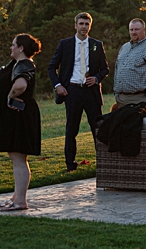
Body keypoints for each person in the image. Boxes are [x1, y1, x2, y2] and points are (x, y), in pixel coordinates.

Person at [0, 34, 42, 211]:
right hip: (14, 116)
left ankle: (20, 202)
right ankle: (16, 197)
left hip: (19, 116)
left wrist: (9, 97)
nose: (11, 47)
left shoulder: (24, 65)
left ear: (21, 48)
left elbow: (20, 85)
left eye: (13, 45)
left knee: (18, 159)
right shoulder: (15, 64)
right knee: (17, 158)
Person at [47, 12, 110, 172]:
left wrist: (96, 78)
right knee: (71, 129)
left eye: (86, 24)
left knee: (96, 127)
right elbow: (51, 67)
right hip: (72, 91)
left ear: (90, 26)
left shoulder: (97, 44)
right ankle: (70, 164)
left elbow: (105, 69)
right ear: (75, 25)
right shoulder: (65, 44)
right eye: (81, 23)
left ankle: (103, 162)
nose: (84, 27)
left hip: (91, 92)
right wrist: (58, 86)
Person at [112, 18, 146, 111]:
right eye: (131, 30)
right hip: (121, 99)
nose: (133, 32)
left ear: (144, 30)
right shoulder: (125, 47)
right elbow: (117, 69)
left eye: (137, 29)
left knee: (135, 125)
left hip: (138, 99)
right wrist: (116, 93)